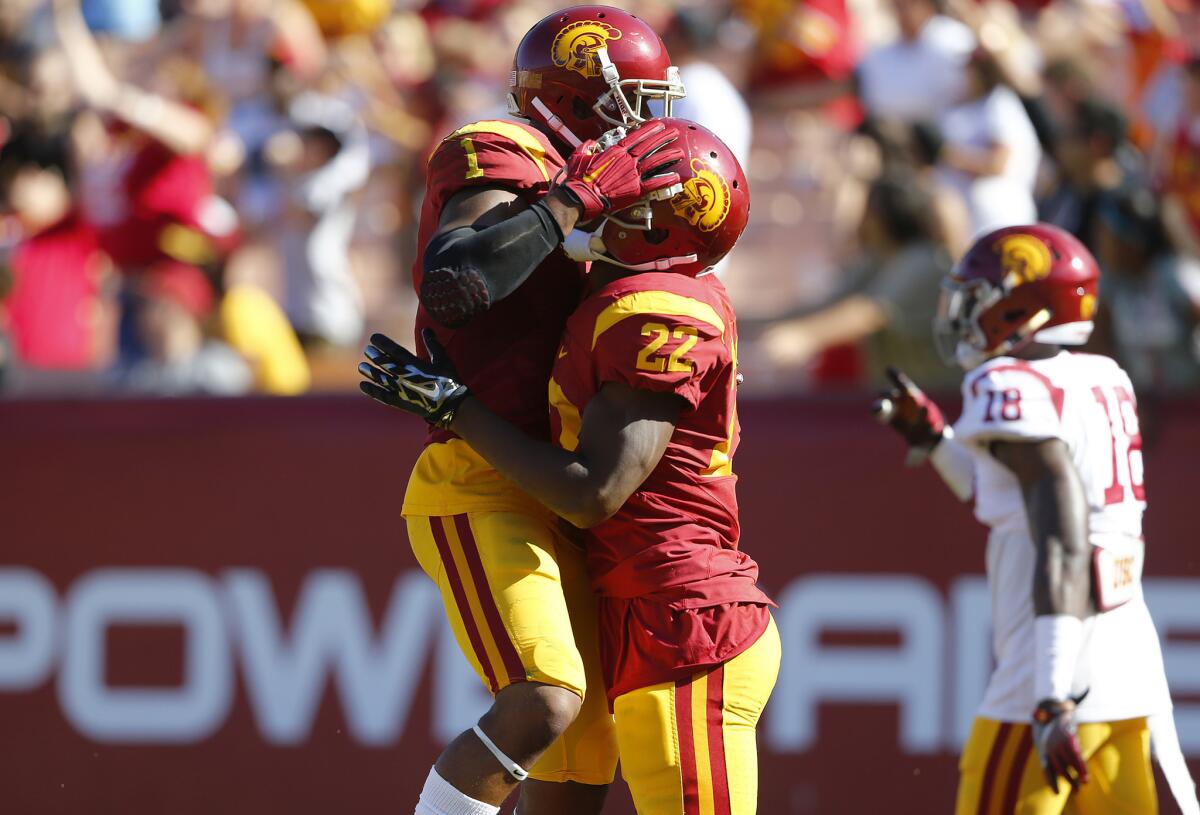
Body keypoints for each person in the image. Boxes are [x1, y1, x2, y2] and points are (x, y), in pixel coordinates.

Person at [361, 118, 779, 815]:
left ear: (653, 229)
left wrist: (455, 405)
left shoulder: (655, 311)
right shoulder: (621, 293)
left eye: (631, 191)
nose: (603, 180)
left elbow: (593, 492)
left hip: (684, 615)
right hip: (646, 606)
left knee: (548, 697)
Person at [369, 7, 687, 815]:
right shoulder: (502, 151)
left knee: (585, 753)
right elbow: (454, 282)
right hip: (482, 473)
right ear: (583, 94)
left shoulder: (595, 178)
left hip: (562, 477)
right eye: (634, 99)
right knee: (546, 691)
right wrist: (574, 199)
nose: (647, 121)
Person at [875, 223, 1198, 814]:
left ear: (1021, 307)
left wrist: (1050, 696)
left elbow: (1064, 539)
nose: (965, 315)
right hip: (1121, 669)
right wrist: (936, 440)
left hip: (1050, 674)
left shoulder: (1011, 385)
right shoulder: (1103, 377)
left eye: (979, 300)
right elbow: (1011, 500)